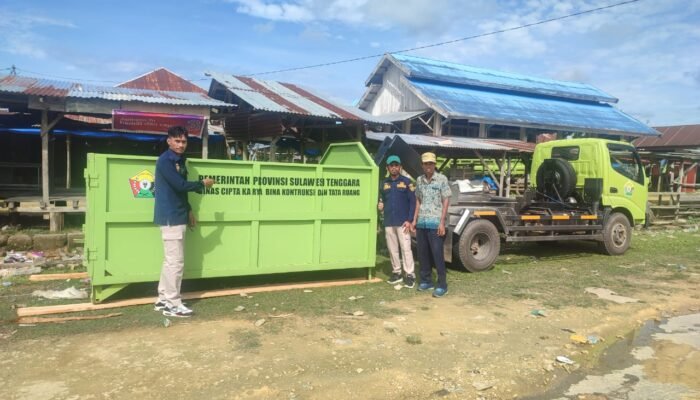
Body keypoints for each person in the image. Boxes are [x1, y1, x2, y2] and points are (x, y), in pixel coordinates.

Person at [153, 126, 214, 317]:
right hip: (170, 216)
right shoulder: (165, 161)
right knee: (176, 263)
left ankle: (163, 299)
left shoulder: (179, 161)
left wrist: (189, 211)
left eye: (184, 141)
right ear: (169, 141)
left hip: (178, 214)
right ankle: (173, 303)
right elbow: (180, 185)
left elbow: (179, 192)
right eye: (177, 141)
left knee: (170, 262)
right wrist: (202, 184)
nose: (181, 145)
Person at [411, 152, 452, 298]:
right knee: (422, 254)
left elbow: (446, 200)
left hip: (435, 223)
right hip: (422, 222)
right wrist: (414, 220)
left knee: (437, 254)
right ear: (422, 165)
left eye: (431, 163)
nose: (428, 166)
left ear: (435, 164)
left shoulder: (441, 179)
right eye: (426, 163)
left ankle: (442, 285)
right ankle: (426, 281)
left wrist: (442, 222)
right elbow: (418, 201)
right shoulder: (419, 180)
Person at [378, 155, 417, 288]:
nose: (394, 167)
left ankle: (410, 275)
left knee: (406, 249)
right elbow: (381, 199)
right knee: (392, 249)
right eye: (391, 165)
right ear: (388, 167)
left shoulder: (407, 182)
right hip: (389, 222)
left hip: (403, 222)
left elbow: (413, 203)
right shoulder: (383, 183)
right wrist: (380, 205)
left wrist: (410, 220)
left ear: (400, 167)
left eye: (396, 165)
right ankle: (397, 273)